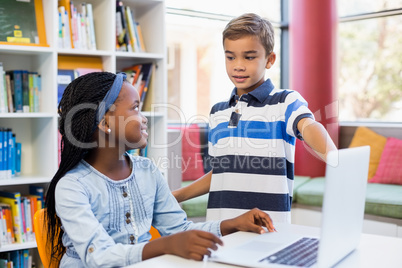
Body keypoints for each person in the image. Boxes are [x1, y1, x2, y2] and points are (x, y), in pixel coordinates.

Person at [44, 72, 275, 268]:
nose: (144, 119)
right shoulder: (72, 186)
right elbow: (99, 257)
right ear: (105, 124)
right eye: (135, 109)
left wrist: (232, 224)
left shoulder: (147, 170)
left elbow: (179, 229)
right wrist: (164, 246)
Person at [172, 13, 337, 223]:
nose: (238, 65)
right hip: (222, 230)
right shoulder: (217, 112)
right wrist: (177, 195)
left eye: (249, 57)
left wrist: (335, 160)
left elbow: (309, 127)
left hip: (268, 229)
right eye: (230, 57)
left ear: (270, 60)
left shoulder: (285, 102)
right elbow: (220, 174)